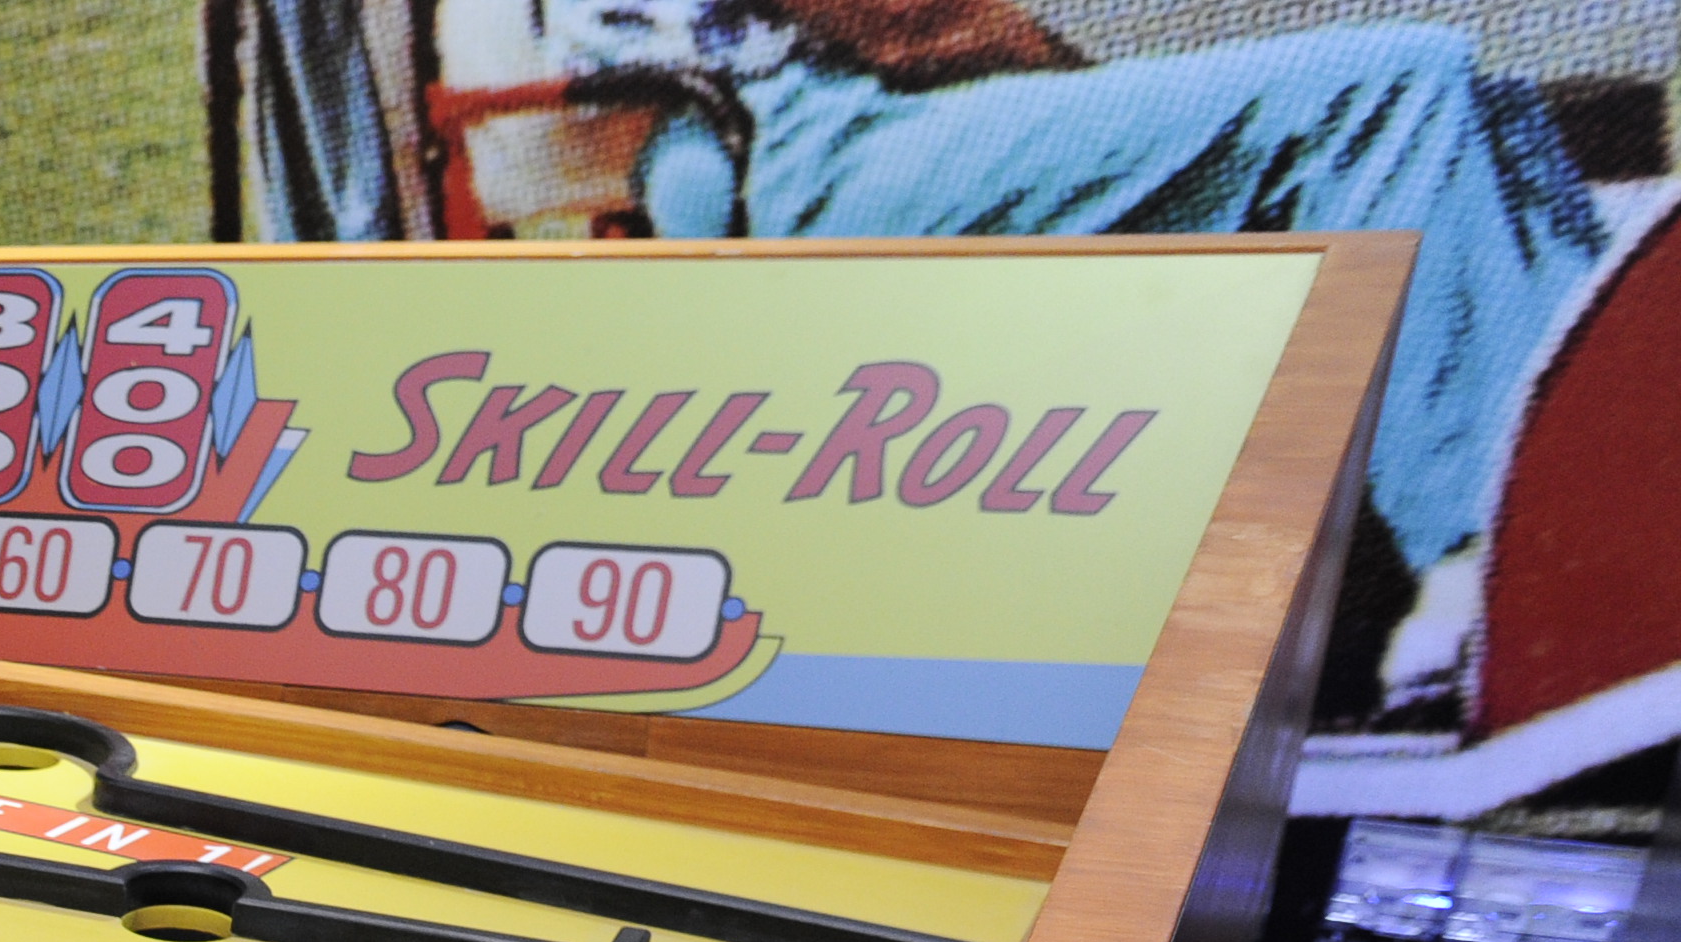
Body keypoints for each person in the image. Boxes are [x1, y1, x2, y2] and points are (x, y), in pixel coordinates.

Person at [520, 0, 1607, 711]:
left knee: (1485, 106)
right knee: (1396, 87)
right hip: (786, 147)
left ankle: (1598, 521)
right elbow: (918, 22)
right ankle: (1499, 573)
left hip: (797, 124)